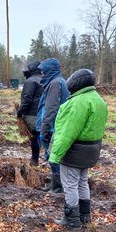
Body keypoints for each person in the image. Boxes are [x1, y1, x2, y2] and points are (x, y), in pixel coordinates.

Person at [50, 69, 107, 229]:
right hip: (91, 150)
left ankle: (71, 219)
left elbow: (67, 133)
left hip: (75, 152)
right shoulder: (98, 99)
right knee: (82, 182)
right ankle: (84, 216)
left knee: (70, 184)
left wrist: (54, 155)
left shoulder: (78, 102)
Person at [36, 58, 70, 193]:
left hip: (51, 127)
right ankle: (54, 185)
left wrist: (44, 129)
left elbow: (51, 108)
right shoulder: (59, 81)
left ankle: (58, 186)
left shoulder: (55, 84)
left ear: (49, 71)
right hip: (54, 126)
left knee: (53, 157)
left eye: (43, 72)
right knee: (53, 157)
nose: (42, 75)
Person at [17, 61, 43, 165]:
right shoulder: (43, 79)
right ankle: (38, 158)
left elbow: (27, 99)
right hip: (41, 112)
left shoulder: (30, 81)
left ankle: (34, 159)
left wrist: (20, 111)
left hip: (32, 113)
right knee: (39, 135)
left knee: (34, 137)